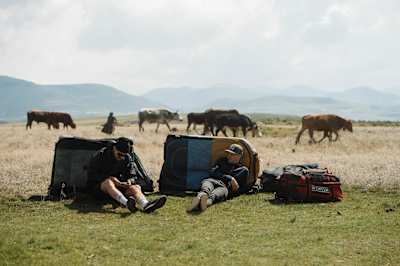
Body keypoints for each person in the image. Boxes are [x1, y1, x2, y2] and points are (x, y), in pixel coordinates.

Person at [86, 137, 166, 213]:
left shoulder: (127, 158)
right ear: (114, 148)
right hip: (100, 189)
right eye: (120, 155)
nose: (122, 158)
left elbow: (132, 174)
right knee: (108, 182)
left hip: (119, 188)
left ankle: (145, 204)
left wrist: (129, 181)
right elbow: (91, 175)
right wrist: (111, 179)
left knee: (135, 187)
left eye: (124, 155)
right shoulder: (101, 155)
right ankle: (126, 203)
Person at [187, 143, 249, 212]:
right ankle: (198, 201)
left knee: (214, 196)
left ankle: (201, 205)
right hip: (211, 181)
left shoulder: (243, 170)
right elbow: (213, 172)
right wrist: (230, 178)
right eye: (228, 153)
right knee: (205, 190)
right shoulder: (222, 161)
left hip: (223, 187)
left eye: (232, 154)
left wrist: (231, 192)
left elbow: (240, 189)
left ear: (239, 156)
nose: (229, 156)